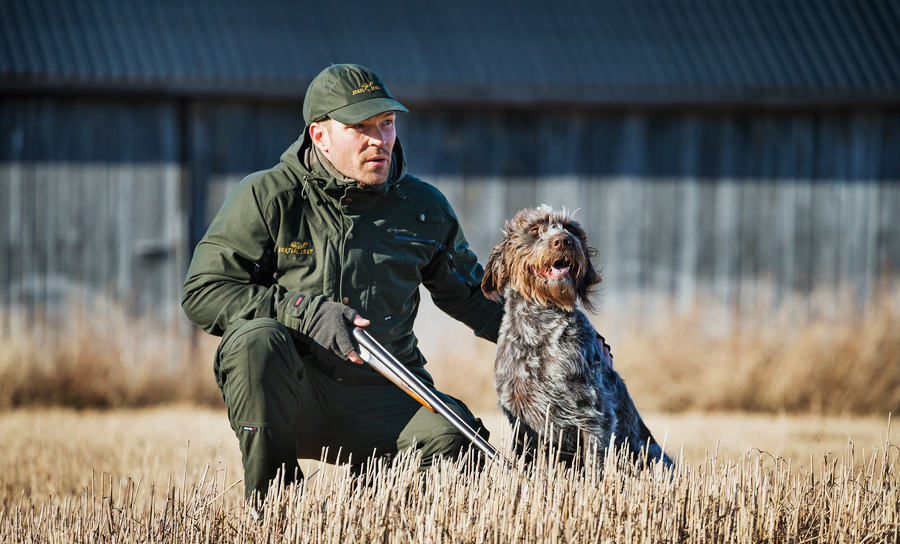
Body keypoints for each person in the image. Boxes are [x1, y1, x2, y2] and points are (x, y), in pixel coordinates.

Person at [181, 64, 505, 503]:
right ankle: (277, 513)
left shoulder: (424, 208)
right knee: (254, 342)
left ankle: (366, 510)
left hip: (384, 388)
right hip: (295, 390)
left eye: (387, 123)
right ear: (320, 136)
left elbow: (475, 298)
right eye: (360, 127)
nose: (380, 140)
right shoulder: (267, 196)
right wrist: (305, 311)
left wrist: (565, 335)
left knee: (456, 437)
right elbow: (204, 290)